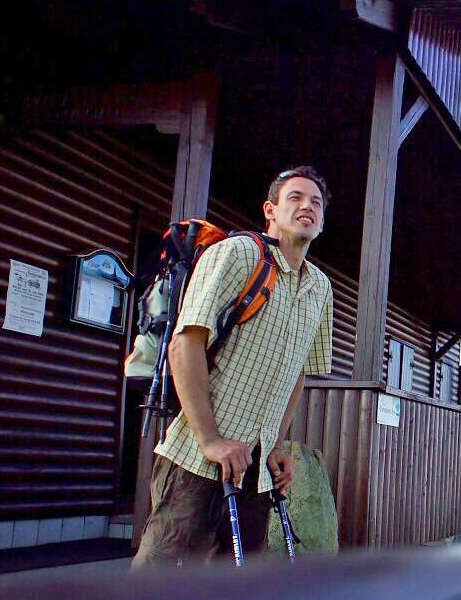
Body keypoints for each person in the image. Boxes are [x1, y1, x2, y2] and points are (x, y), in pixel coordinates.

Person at [131, 166, 334, 569]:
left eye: (316, 202)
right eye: (294, 197)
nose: (307, 206)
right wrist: (210, 440)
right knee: (159, 581)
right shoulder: (238, 253)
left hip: (256, 471)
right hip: (197, 457)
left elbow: (298, 372)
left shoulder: (321, 288)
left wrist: (274, 446)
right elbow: (185, 344)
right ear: (270, 210)